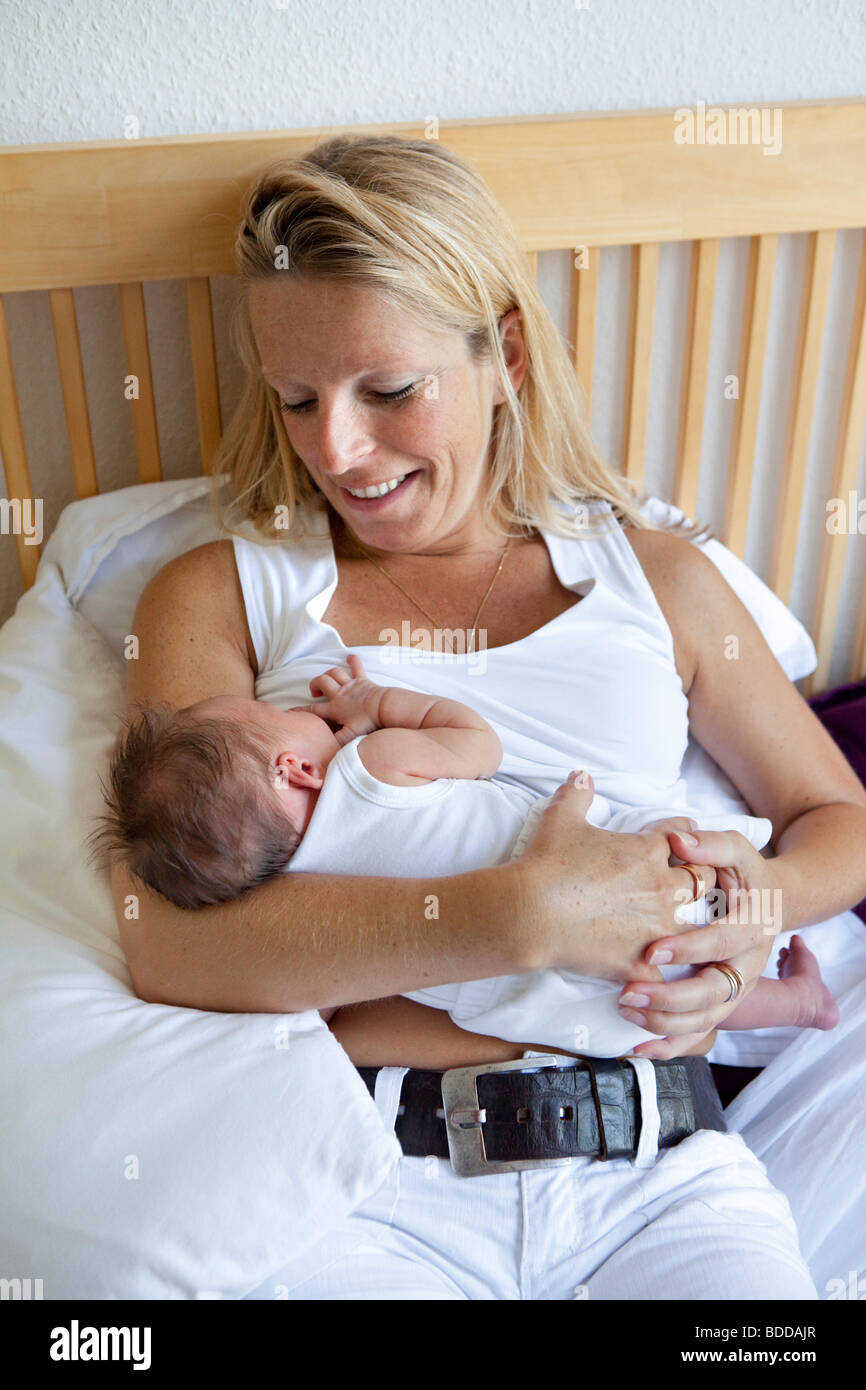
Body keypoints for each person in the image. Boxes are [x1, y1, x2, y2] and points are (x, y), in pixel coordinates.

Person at [108, 132, 866, 1299]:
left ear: (502, 350)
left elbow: (834, 819)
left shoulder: (649, 578)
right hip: (365, 1175)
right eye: (297, 399)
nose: (336, 451)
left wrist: (737, 905)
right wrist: (516, 917)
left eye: (390, 389)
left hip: (658, 1164)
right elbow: (166, 935)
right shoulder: (221, 591)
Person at [94, 655, 839, 1054]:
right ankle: (747, 887)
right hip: (614, 865)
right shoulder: (373, 764)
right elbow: (478, 746)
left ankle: (789, 1001)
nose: (305, 715)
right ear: (298, 770)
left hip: (543, 1015)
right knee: (670, 846)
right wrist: (379, 703)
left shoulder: (294, 884)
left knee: (652, 1012)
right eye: (282, 714)